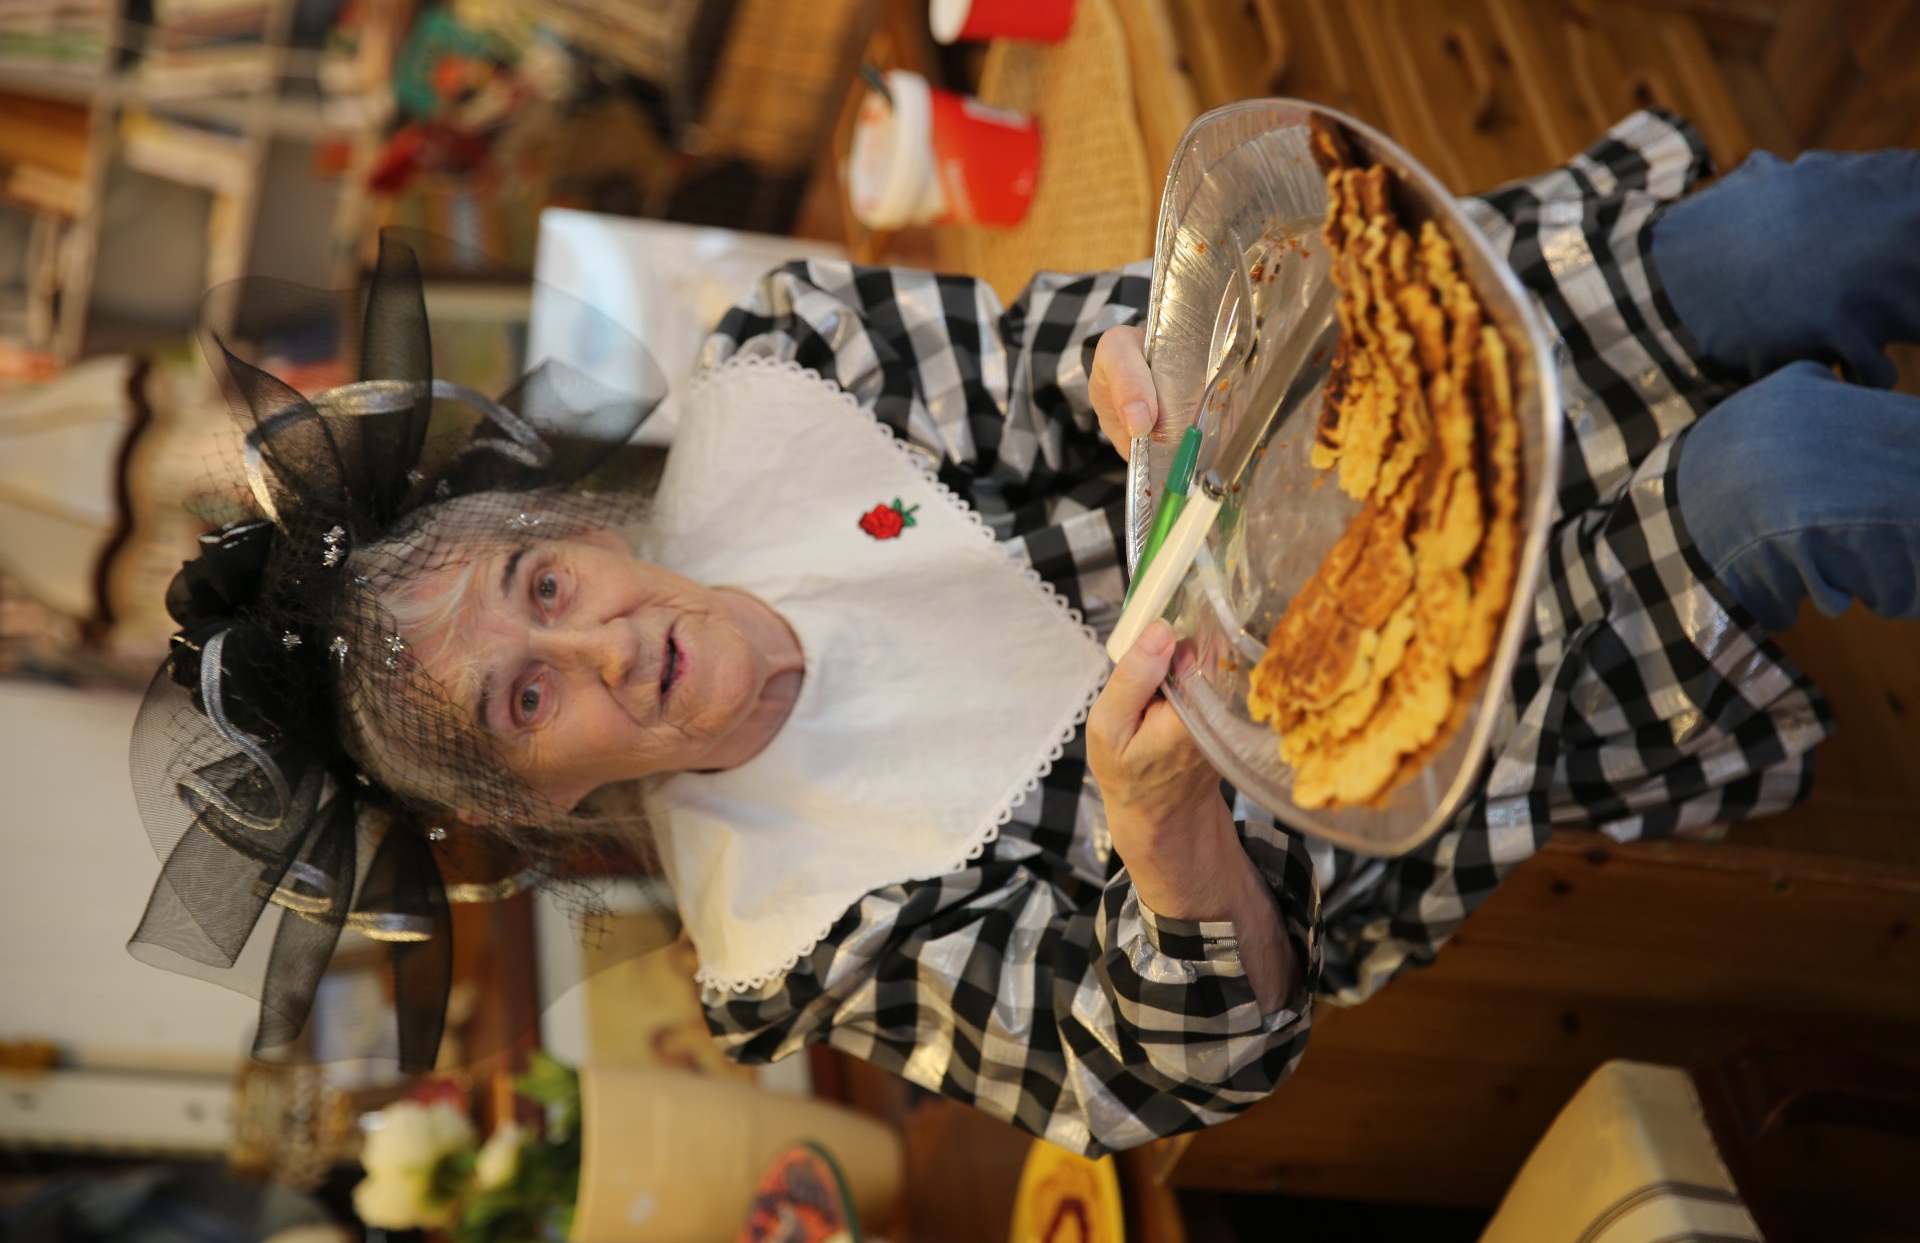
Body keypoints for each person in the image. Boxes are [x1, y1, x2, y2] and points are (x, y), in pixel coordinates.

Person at [131, 109, 1920, 1157]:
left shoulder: (791, 370)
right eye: (529, 701)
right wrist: (1163, 832)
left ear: (567, 527)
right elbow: (1177, 1070)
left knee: (1790, 234)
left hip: (1374, 402)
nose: (600, 648)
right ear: (537, 803)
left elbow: (1065, 343)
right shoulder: (799, 937)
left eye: (543, 588)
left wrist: (1119, 367)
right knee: (1776, 471)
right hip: (1469, 706)